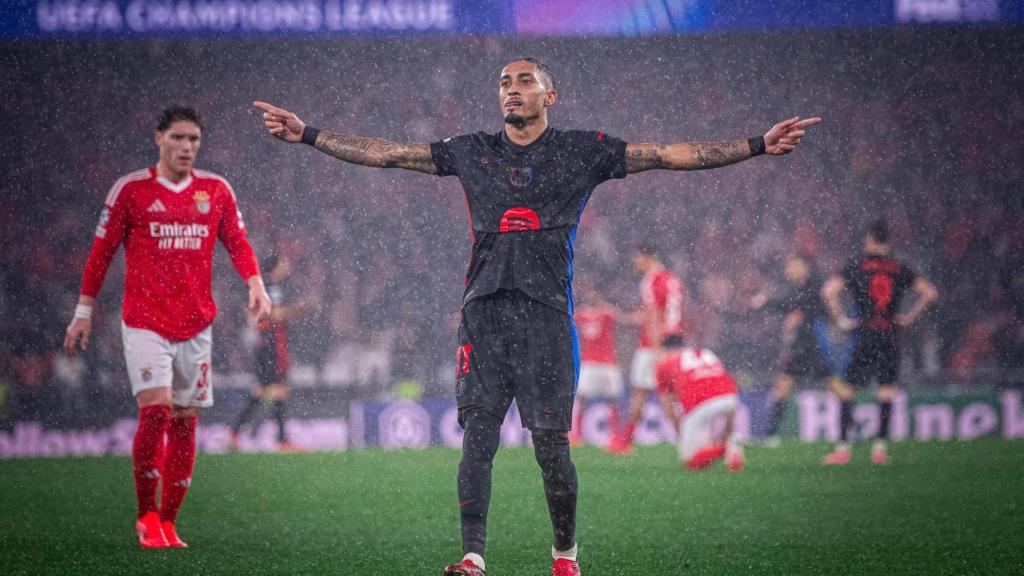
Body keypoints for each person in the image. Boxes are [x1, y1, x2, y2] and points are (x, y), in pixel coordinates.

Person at [254, 57, 819, 576]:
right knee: (478, 438)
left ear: (551, 95)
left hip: (546, 318)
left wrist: (756, 145)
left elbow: (666, 155)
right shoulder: (471, 149)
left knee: (552, 448)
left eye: (525, 81)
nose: (512, 90)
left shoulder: (582, 151)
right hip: (483, 314)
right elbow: (391, 153)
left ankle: (565, 556)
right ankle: (473, 557)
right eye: (504, 82)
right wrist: (308, 135)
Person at [63, 105, 272, 549]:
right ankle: (146, 514)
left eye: (194, 139)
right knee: (155, 410)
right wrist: (84, 311)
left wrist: (256, 284)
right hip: (144, 322)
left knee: (185, 420)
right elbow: (100, 254)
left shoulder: (215, 190)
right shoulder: (131, 191)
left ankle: (170, 522)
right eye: (178, 138)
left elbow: (237, 241)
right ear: (159, 138)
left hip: (196, 324)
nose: (187, 147)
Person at [821, 219, 938, 465]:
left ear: (871, 238)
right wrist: (909, 318)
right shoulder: (899, 267)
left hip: (864, 334)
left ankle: (843, 449)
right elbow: (929, 293)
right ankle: (880, 450)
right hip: (890, 335)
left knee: (847, 391)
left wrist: (842, 319)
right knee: (886, 393)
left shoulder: (858, 265)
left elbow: (828, 291)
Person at [231, 254, 315, 452]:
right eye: (283, 264)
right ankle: (281, 440)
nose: (287, 267)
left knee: (268, 391)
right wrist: (300, 308)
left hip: (270, 346)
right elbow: (274, 315)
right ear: (275, 268)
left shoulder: (269, 287)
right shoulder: (271, 287)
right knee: (274, 390)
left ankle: (236, 433)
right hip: (270, 347)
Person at [607, 243, 685, 455]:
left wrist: (656, 349)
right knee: (655, 394)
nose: (635, 263)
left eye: (637, 258)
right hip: (674, 342)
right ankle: (626, 440)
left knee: (659, 397)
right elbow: (668, 313)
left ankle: (686, 443)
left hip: (654, 345)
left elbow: (652, 316)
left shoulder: (651, 280)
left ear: (648, 257)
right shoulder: (672, 279)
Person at [750, 255, 837, 446]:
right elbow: (793, 305)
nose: (788, 271)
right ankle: (771, 436)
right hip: (802, 345)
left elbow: (793, 304)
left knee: (833, 386)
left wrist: (767, 302)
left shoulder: (814, 285)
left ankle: (852, 428)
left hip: (812, 345)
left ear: (804, 267)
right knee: (783, 386)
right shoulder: (799, 288)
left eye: (792, 266)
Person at [655, 341, 744, 471]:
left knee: (691, 462)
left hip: (699, 402)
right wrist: (728, 430)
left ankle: (725, 448)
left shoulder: (663, 365)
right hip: (730, 396)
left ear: (663, 351)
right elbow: (728, 391)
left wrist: (681, 435)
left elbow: (668, 407)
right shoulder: (705, 352)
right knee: (702, 452)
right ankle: (729, 447)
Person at [569, 280, 631, 447]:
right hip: (588, 363)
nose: (590, 295)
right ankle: (577, 435)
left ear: (598, 294)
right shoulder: (580, 314)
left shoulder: (608, 312)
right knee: (582, 399)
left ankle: (614, 436)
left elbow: (626, 321)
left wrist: (642, 318)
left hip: (607, 364)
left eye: (593, 292)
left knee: (613, 399)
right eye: (588, 292)